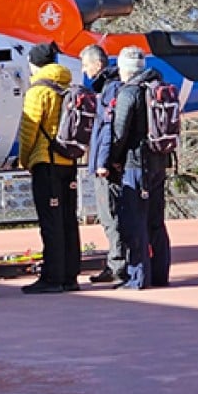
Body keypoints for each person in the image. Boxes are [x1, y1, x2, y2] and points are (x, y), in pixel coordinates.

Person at [103, 46, 172, 290]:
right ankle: (160, 274)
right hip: (159, 161)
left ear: (124, 69)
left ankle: (137, 277)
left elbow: (119, 132)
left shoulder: (129, 93)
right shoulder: (157, 87)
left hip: (135, 164)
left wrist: (111, 160)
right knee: (155, 220)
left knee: (135, 221)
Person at [17, 41, 82, 294]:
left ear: (34, 64)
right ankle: (70, 275)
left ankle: (52, 277)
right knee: (68, 220)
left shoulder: (38, 92)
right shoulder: (68, 86)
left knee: (50, 222)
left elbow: (28, 131)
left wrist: (25, 160)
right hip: (69, 161)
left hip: (46, 161)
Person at [81, 45, 126, 285]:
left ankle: (118, 264)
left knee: (110, 216)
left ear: (97, 65)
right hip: (112, 163)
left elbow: (106, 129)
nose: (84, 71)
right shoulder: (113, 87)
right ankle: (116, 262)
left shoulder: (110, 90)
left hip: (106, 166)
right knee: (112, 215)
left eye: (86, 65)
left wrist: (101, 162)